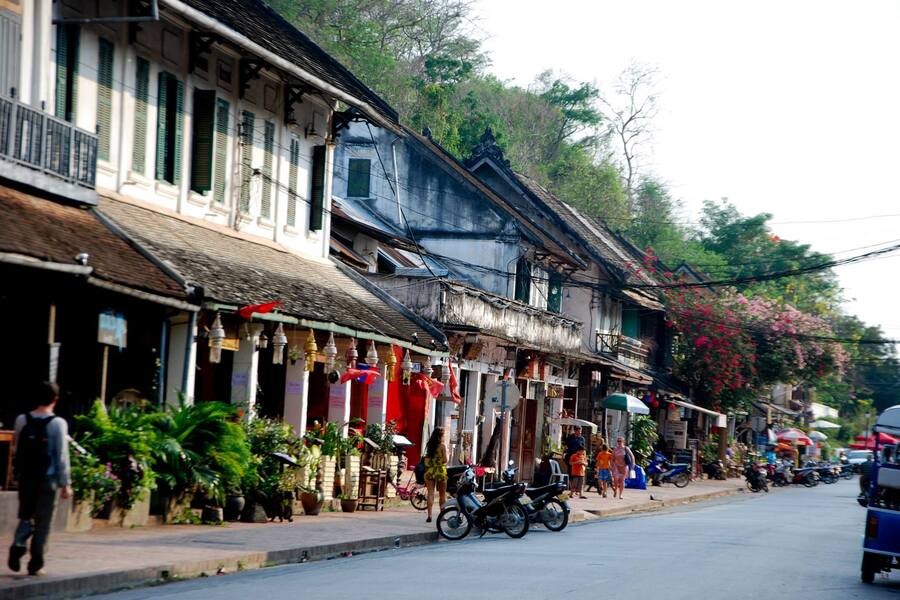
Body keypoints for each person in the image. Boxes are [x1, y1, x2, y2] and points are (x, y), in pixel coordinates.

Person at [8, 382, 71, 576]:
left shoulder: (21, 420)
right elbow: (61, 455)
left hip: (27, 477)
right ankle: (36, 563)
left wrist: (16, 474)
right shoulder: (58, 423)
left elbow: (16, 448)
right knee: (43, 522)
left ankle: (19, 542)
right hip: (48, 479)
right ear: (55, 399)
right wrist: (65, 483)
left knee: (26, 514)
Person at [423, 427, 447, 523]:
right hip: (440, 471)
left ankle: (429, 515)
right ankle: (442, 516)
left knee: (430, 493)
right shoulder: (442, 446)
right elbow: (445, 460)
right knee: (442, 495)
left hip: (430, 471)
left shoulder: (429, 445)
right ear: (441, 436)